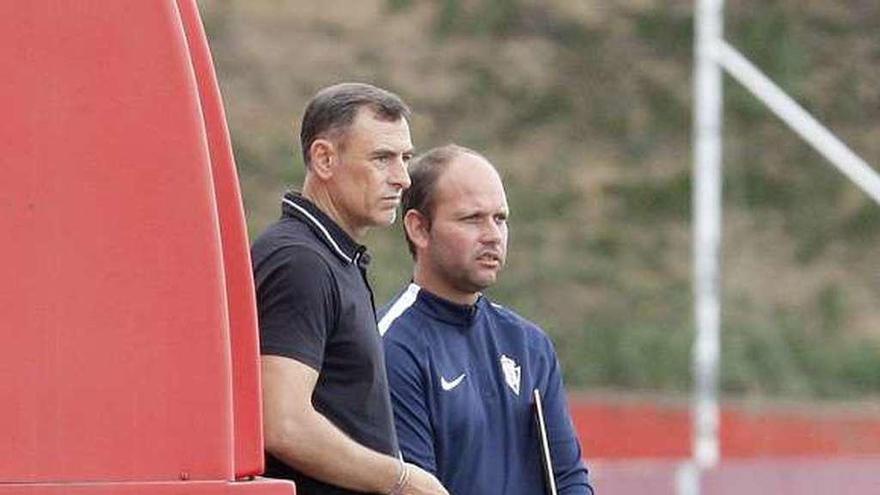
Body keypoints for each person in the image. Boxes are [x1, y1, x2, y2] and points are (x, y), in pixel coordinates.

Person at [251, 83, 449, 495]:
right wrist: (401, 478)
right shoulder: (300, 262)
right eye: (382, 159)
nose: (402, 178)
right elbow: (282, 422)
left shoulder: (332, 257)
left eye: (405, 158)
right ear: (324, 158)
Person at [378, 144, 594, 495]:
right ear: (419, 228)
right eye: (472, 219)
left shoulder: (528, 344)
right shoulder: (390, 346)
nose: (493, 235)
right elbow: (412, 487)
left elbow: (568, 479)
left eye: (500, 218)